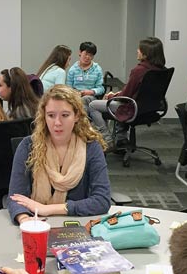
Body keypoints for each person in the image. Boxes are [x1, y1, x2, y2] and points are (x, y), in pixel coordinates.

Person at [8, 85, 111, 223]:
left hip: (78, 226)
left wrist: (48, 209)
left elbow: (102, 201)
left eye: (65, 115)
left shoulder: (91, 148)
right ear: (44, 116)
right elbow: (16, 197)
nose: (57, 122)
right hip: (35, 223)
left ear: (77, 116)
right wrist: (25, 219)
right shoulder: (28, 146)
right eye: (51, 115)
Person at [86, 37, 167, 147]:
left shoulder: (139, 70)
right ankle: (121, 138)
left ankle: (106, 138)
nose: (137, 51)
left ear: (146, 54)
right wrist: (117, 95)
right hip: (149, 108)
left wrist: (111, 96)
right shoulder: (162, 70)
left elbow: (125, 96)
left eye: (139, 49)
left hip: (132, 108)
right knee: (117, 101)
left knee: (92, 105)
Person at [66, 41, 104, 112]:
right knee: (92, 112)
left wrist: (92, 91)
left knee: (86, 101)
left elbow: (101, 88)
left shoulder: (97, 69)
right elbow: (68, 88)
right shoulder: (73, 69)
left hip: (91, 98)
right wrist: (75, 92)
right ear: (80, 52)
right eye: (86, 54)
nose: (87, 57)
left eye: (91, 55)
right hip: (76, 98)